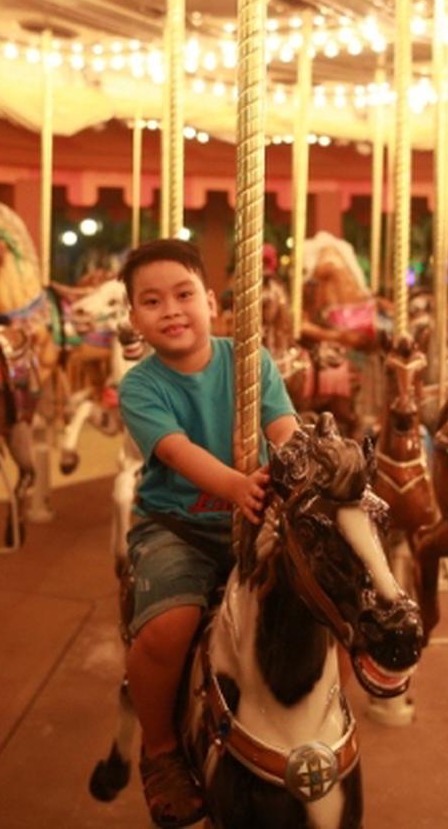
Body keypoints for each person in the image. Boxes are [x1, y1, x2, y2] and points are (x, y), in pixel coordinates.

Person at [117, 238, 299, 827]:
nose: (170, 310)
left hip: (259, 518)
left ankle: (326, 723)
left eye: (183, 294)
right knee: (168, 625)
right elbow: (177, 451)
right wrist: (236, 485)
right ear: (134, 317)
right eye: (151, 301)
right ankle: (161, 749)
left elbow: (283, 426)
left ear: (212, 302)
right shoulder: (141, 386)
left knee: (323, 602)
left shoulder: (249, 360)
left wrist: (300, 464)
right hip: (178, 527)